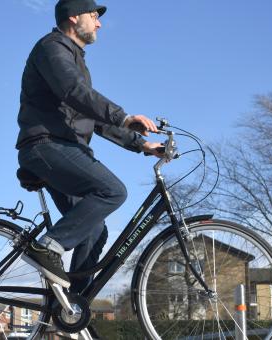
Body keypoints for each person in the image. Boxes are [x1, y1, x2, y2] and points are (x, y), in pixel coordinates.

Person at [16, 0, 163, 293]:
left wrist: (141, 144)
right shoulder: (51, 48)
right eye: (94, 16)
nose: (99, 23)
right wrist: (124, 116)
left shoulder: (76, 61)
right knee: (113, 191)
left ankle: (71, 310)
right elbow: (75, 92)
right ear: (73, 17)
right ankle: (48, 247)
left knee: (93, 231)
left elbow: (91, 115)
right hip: (47, 145)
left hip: (64, 149)